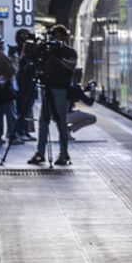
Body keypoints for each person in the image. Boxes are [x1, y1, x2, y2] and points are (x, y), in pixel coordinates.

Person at [29, 24, 78, 166]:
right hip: (47, 88)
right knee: (43, 121)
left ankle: (64, 154)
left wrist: (58, 58)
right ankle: (40, 153)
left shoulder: (69, 51)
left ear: (63, 36)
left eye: (57, 35)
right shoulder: (46, 50)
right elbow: (37, 64)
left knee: (61, 121)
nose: (55, 38)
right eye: (53, 35)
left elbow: (71, 66)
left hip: (61, 90)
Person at [0, 37, 18, 146]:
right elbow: (13, 70)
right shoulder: (1, 56)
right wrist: (14, 60)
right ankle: (12, 136)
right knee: (11, 114)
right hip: (6, 88)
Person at [13, 30, 38, 140]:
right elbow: (20, 70)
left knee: (27, 110)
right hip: (23, 86)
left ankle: (25, 131)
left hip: (29, 85)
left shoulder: (31, 55)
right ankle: (20, 132)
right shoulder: (18, 54)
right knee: (22, 110)